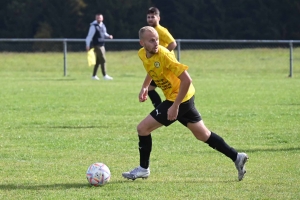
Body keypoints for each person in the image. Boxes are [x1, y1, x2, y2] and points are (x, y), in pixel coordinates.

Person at [122, 26, 248, 182]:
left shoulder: (165, 55)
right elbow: (151, 69)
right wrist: (145, 87)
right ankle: (237, 157)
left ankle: (143, 169)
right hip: (183, 98)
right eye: (151, 40)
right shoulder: (143, 54)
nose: (156, 43)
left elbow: (187, 80)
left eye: (157, 39)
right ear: (142, 43)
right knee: (202, 135)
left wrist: (175, 106)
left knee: (142, 128)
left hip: (179, 98)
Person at [146, 7, 177, 108]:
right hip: (158, 65)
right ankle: (160, 110)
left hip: (165, 66)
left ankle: (161, 110)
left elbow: (173, 43)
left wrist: (163, 55)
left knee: (151, 89)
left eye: (153, 17)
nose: (150, 19)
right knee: (150, 89)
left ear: (158, 18)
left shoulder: (161, 30)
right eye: (148, 17)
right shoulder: (152, 31)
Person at [85, 14, 113, 80]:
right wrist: (87, 45)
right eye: (98, 18)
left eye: (100, 18)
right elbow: (89, 36)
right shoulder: (93, 26)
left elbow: (104, 33)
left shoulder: (102, 25)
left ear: (102, 18)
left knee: (98, 61)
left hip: (102, 44)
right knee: (103, 59)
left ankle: (94, 76)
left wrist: (109, 36)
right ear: (96, 18)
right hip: (97, 45)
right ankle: (104, 75)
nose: (99, 19)